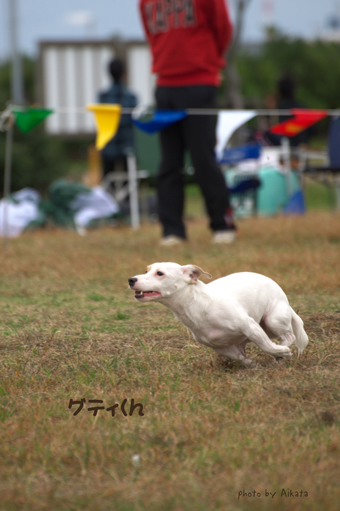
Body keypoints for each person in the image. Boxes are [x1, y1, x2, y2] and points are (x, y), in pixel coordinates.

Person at [139, 0, 236, 245]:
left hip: (199, 80)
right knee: (169, 163)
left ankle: (221, 224)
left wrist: (211, 63)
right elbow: (151, 34)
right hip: (165, 85)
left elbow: (223, 29)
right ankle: (172, 231)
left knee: (203, 158)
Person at [97, 58, 137, 176]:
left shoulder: (102, 97)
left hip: (108, 145)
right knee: (129, 182)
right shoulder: (131, 97)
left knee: (108, 181)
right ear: (124, 72)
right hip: (127, 146)